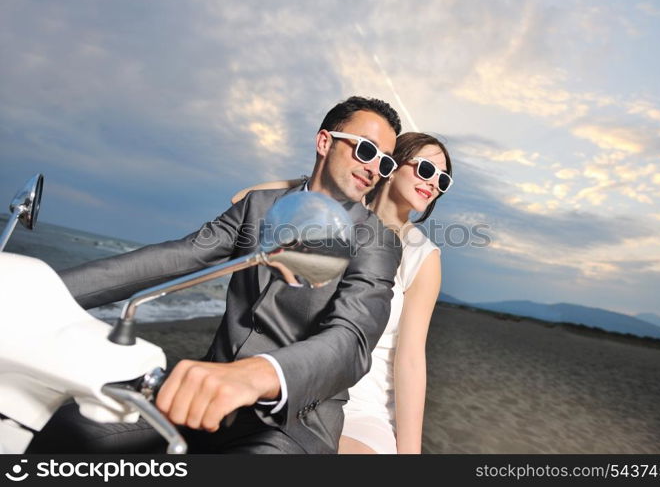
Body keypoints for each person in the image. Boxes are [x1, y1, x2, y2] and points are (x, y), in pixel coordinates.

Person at [27, 96, 403, 454]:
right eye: (366, 150)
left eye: (385, 162)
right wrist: (42, 291)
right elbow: (176, 256)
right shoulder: (257, 207)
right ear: (324, 142)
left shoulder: (376, 241)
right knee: (63, 430)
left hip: (289, 427)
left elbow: (351, 340)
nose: (374, 168)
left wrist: (259, 375)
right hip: (200, 399)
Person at [231, 132, 452, 454]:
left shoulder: (422, 255)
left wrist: (410, 454)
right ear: (390, 163)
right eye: (426, 170)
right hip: (295, 386)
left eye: (443, 180)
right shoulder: (333, 219)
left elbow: (411, 360)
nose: (434, 184)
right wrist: (322, 179)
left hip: (362, 411)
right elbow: (243, 200)